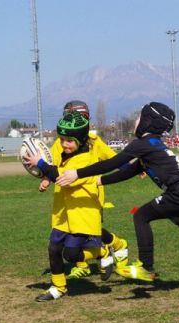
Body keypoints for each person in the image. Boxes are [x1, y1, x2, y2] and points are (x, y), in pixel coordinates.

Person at [56, 102, 179, 288]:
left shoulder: (142, 144)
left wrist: (77, 174)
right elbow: (129, 170)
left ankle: (146, 266)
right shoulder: (153, 145)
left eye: (140, 117)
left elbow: (112, 163)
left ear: (147, 122)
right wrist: (99, 181)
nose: (136, 120)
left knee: (141, 216)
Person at [41, 100, 129, 280]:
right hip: (65, 195)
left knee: (89, 230)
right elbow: (52, 163)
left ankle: (115, 246)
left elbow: (114, 159)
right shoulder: (60, 142)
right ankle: (85, 264)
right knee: (76, 231)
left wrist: (129, 167)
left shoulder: (94, 142)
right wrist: (46, 178)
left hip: (90, 193)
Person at [24, 111, 104, 301]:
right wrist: (45, 178)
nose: (64, 144)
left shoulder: (84, 159)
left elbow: (61, 175)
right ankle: (58, 287)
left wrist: (40, 163)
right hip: (62, 213)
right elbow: (53, 170)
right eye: (62, 139)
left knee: (71, 254)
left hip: (80, 213)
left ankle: (103, 251)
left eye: (69, 140)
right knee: (53, 248)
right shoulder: (64, 152)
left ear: (81, 140)